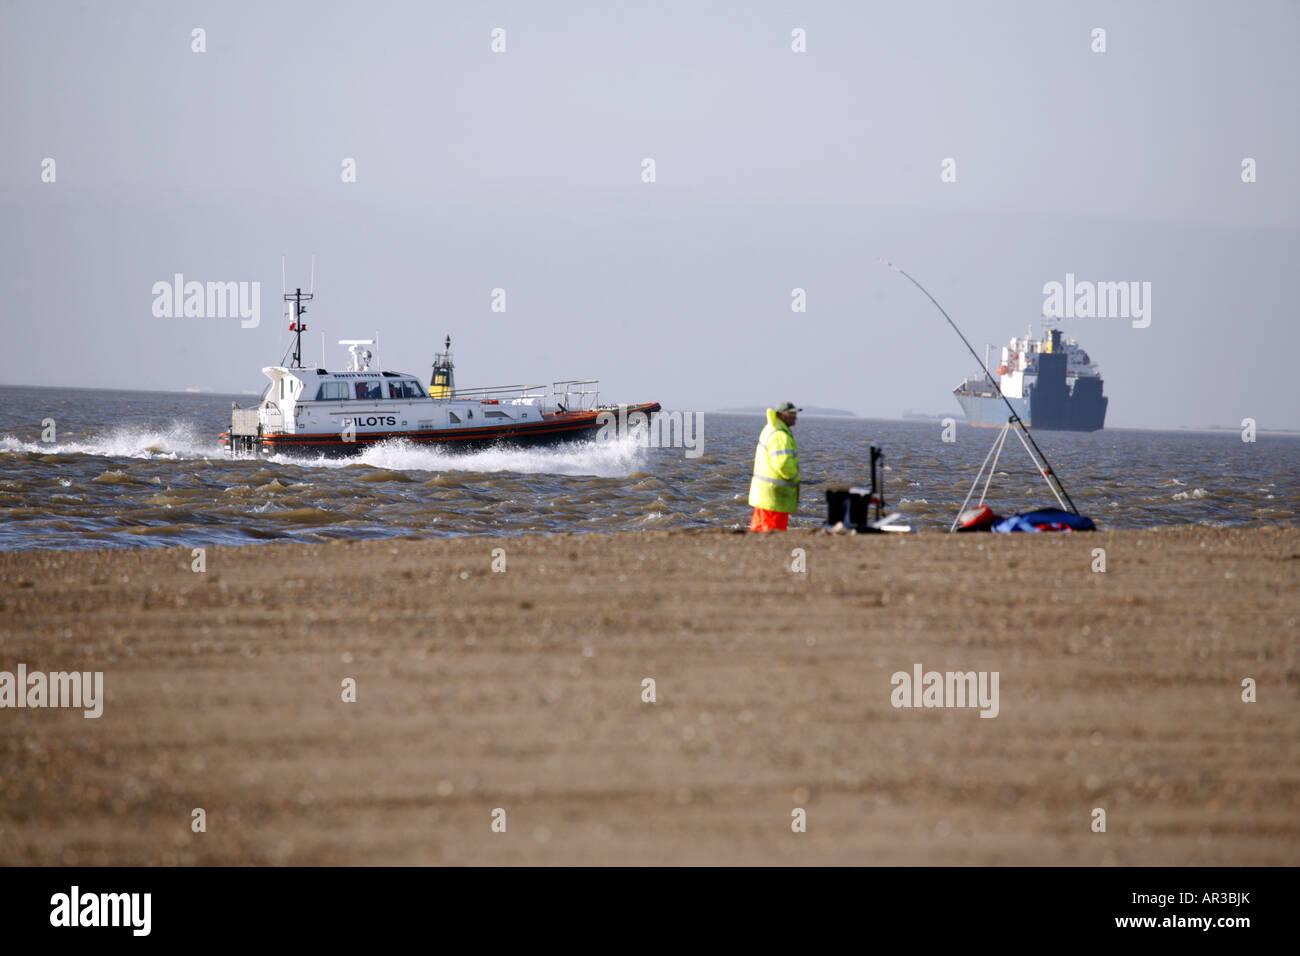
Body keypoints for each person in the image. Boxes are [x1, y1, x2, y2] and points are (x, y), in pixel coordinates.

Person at [748, 402, 801, 532]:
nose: (795, 417)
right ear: (781, 415)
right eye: (792, 414)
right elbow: (783, 464)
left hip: (765, 494)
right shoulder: (779, 435)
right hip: (775, 496)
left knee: (758, 531)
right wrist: (795, 477)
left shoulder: (770, 429)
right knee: (773, 533)